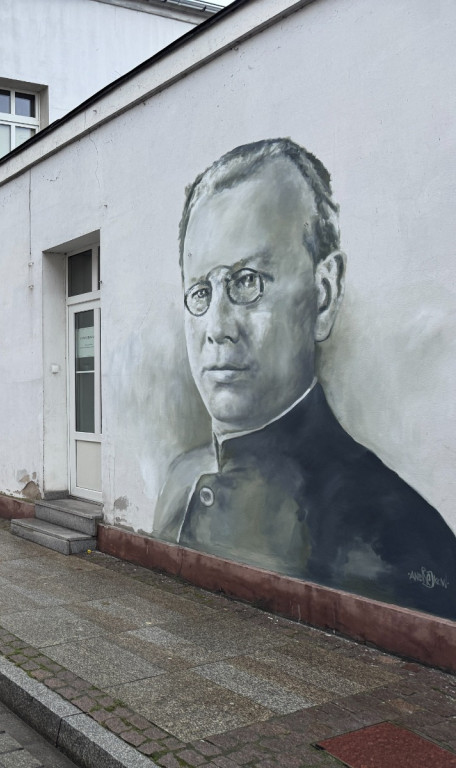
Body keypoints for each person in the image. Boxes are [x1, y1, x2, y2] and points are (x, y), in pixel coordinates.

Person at [154, 138, 456, 620]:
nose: (217, 328)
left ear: (323, 294)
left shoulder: (401, 538)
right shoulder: (179, 480)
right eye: (200, 292)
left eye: (247, 281)